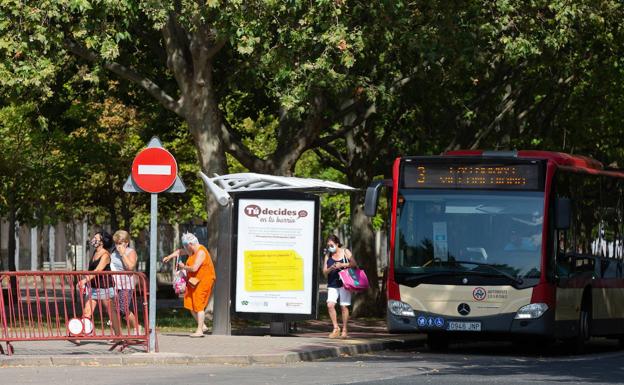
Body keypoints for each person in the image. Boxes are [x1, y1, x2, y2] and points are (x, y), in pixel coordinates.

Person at [163, 232, 216, 337]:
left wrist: (183, 267)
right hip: (193, 281)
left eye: (186, 247)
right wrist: (169, 256)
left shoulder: (201, 252)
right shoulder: (192, 250)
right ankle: (203, 326)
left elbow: (195, 268)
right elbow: (179, 251)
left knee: (199, 305)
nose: (185, 250)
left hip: (204, 281)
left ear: (190, 244)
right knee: (190, 303)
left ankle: (200, 331)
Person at [77, 231, 121, 336]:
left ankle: (119, 336)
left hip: (105, 288)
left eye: (96, 238)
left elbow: (98, 271)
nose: (93, 240)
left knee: (111, 313)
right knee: (87, 312)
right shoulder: (95, 253)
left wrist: (84, 280)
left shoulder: (105, 254)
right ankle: (80, 335)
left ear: (102, 242)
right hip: (93, 287)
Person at [322, 234, 357, 339]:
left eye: (331, 245)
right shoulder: (328, 256)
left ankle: (345, 329)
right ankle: (336, 328)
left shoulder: (345, 251)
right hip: (332, 283)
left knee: (344, 306)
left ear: (337, 243)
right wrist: (331, 268)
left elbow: (354, 264)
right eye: (328, 246)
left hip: (344, 283)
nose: (330, 247)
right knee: (330, 305)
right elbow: (324, 272)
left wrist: (341, 265)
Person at [110, 230, 141, 335]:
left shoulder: (130, 252)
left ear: (126, 242)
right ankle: (116, 334)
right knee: (113, 310)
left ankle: (136, 327)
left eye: (120, 243)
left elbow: (130, 267)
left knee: (123, 309)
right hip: (114, 285)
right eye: (116, 243)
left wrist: (123, 254)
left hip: (126, 285)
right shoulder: (113, 252)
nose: (117, 245)